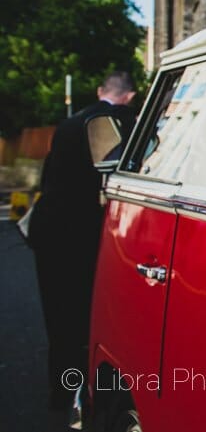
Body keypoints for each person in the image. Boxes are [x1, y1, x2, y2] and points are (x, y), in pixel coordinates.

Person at [29, 71, 137, 412]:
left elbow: (49, 179)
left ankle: (61, 393)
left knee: (59, 318)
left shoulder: (70, 123)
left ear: (100, 90)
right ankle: (85, 395)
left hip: (50, 229)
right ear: (130, 97)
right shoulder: (124, 122)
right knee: (87, 316)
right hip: (85, 233)